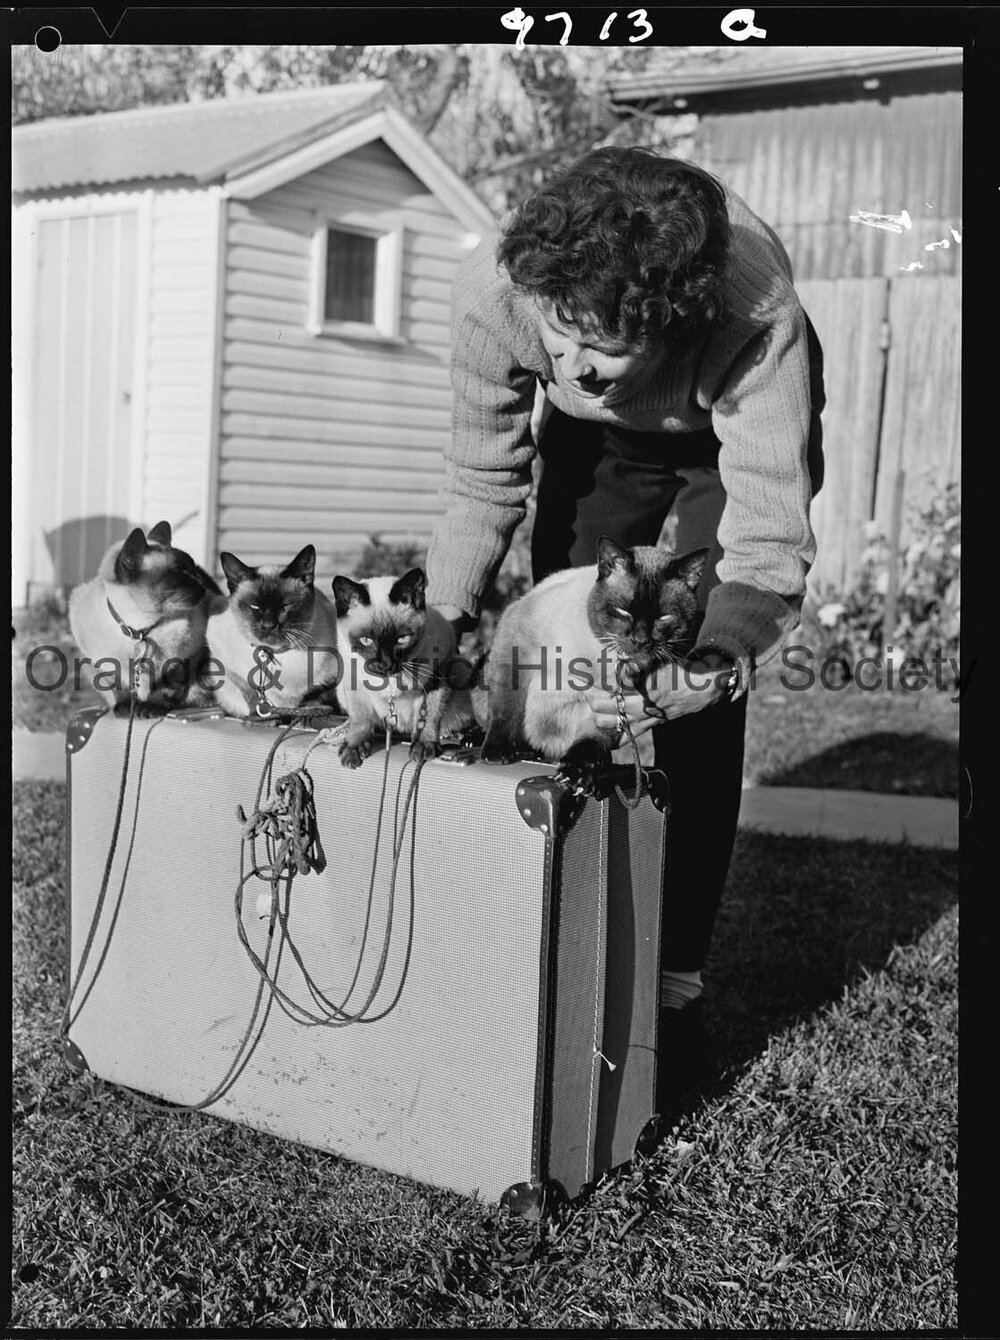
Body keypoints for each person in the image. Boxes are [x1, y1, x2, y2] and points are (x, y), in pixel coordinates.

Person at [425, 145, 825, 1114]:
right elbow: (484, 478)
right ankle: (550, 936)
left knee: (683, 681)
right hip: (593, 447)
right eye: (558, 335)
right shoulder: (492, 289)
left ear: (671, 316)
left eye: (600, 343)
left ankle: (669, 987)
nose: (572, 362)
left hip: (711, 445)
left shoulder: (753, 311)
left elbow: (767, 542)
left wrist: (717, 655)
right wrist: (443, 630)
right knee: (558, 657)